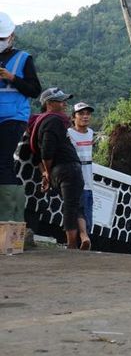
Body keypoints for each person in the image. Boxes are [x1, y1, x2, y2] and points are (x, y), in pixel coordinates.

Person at [29, 88, 87, 249]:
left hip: (59, 170)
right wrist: (47, 172)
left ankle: (81, 238)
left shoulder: (39, 123)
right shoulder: (53, 121)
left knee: (74, 204)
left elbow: (37, 155)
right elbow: (47, 151)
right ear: (49, 104)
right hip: (67, 168)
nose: (65, 104)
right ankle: (72, 245)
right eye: (61, 101)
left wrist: (45, 173)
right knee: (71, 206)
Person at [0, 12, 42, 224]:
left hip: (14, 117)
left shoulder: (23, 58)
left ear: (11, 36)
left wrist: (12, 78)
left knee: (3, 162)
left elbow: (35, 90)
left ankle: (10, 219)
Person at [67, 102, 94, 246]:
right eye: (81, 114)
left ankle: (83, 242)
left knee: (88, 215)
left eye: (88, 114)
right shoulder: (69, 134)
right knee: (80, 211)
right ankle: (82, 238)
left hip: (89, 181)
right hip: (76, 179)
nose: (85, 117)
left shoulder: (91, 133)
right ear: (73, 117)